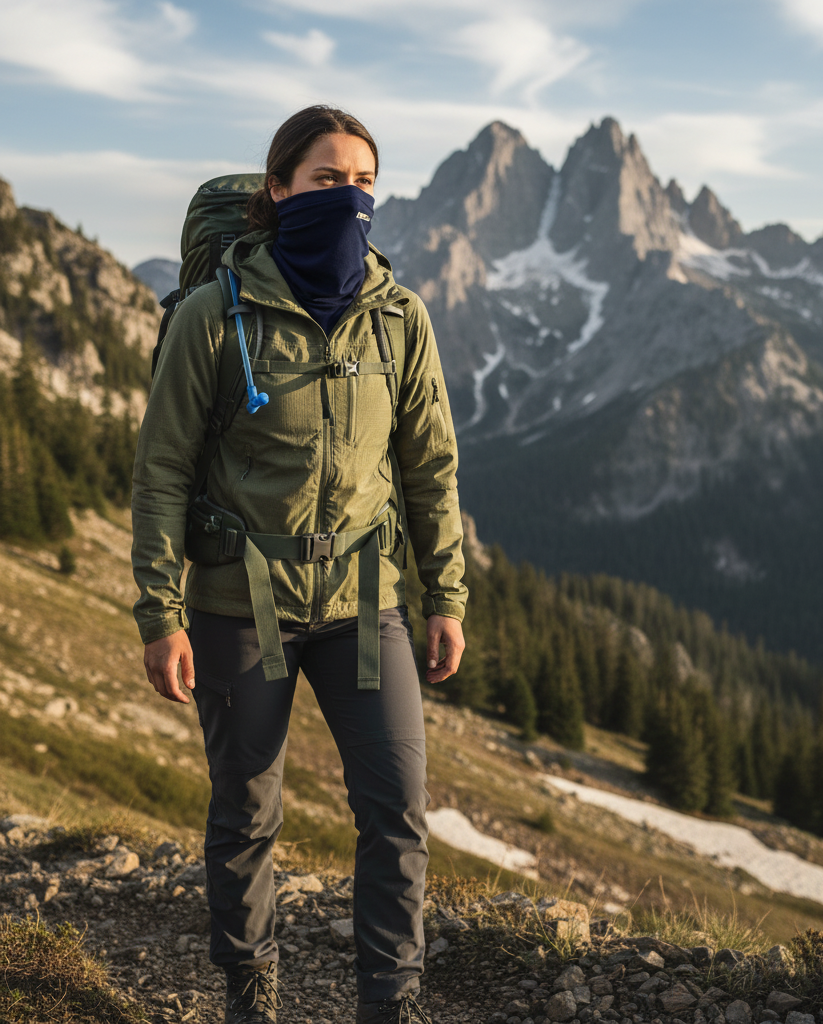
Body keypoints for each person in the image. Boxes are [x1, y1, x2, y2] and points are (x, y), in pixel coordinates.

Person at [131, 105, 467, 1024]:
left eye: (364, 181)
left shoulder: (399, 319)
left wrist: (447, 597)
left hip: (369, 603)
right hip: (242, 605)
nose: (349, 196)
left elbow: (429, 468)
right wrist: (160, 613)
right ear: (278, 189)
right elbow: (160, 469)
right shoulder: (214, 315)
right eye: (327, 179)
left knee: (396, 809)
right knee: (247, 815)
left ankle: (389, 1005)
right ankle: (251, 998)